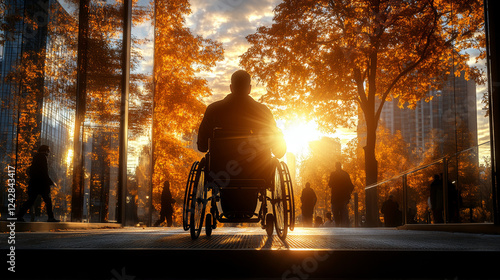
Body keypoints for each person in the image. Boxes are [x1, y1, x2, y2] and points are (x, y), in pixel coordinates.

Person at [197, 70, 286, 216]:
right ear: (249, 88)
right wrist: (279, 148)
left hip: (221, 171)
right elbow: (278, 149)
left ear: (231, 87)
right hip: (257, 172)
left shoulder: (214, 110)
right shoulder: (263, 111)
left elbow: (202, 147)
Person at [16, 145, 59, 222]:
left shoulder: (36, 157)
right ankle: (50, 217)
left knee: (31, 200)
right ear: (45, 150)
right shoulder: (43, 158)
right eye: (48, 150)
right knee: (48, 201)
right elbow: (44, 172)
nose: (49, 152)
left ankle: (19, 215)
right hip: (42, 184)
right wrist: (50, 182)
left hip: (34, 183)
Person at [329, 162, 354, 227]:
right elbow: (351, 186)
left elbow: (330, 184)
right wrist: (349, 194)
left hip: (335, 197)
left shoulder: (333, 174)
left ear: (335, 166)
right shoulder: (345, 174)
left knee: (335, 212)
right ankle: (344, 226)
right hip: (343, 197)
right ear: (341, 166)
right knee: (344, 212)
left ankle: (338, 225)